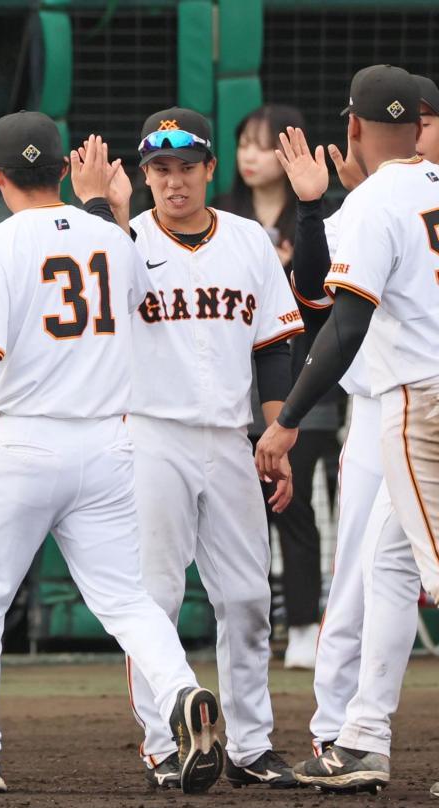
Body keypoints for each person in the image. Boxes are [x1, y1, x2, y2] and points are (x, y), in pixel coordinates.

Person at [0, 113, 224, 796]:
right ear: (62, 167)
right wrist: (101, 207)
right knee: (126, 598)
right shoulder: (117, 242)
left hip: (25, 439)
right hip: (109, 443)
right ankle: (180, 690)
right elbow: (134, 298)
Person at [115, 107, 303, 789]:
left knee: (249, 597)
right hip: (150, 435)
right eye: (160, 168)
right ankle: (166, 744)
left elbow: (276, 347)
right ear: (144, 175)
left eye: (185, 166)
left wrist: (277, 435)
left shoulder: (249, 240)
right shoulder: (123, 240)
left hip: (229, 437)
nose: (173, 180)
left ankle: (251, 747)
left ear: (208, 169)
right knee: (153, 599)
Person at [266, 68, 439, 793]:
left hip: (417, 403)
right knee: (390, 569)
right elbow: (320, 288)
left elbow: (343, 325)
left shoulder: (376, 200)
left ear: (354, 128)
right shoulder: (414, 190)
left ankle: (359, 735)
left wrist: (285, 419)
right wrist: (319, 206)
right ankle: (362, 738)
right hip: (414, 393)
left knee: (426, 568)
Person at [218, 104, 344, 669]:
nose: (250, 155)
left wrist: (294, 266)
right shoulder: (223, 218)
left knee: (292, 508)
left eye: (261, 144)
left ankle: (301, 627)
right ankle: (247, 632)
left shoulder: (319, 216)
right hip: (232, 391)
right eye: (243, 143)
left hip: (304, 387)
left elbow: (332, 302)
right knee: (238, 513)